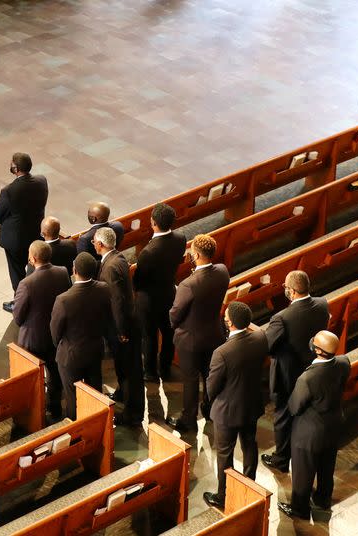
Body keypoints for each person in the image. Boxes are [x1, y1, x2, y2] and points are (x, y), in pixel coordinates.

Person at [261, 270, 330, 473]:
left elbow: (268, 346)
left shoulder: (282, 317)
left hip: (288, 373)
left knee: (283, 414)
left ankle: (281, 459)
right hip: (312, 368)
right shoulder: (322, 304)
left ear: (291, 291)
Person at [203, 301, 268, 508]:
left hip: (228, 411)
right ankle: (249, 484)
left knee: (225, 453)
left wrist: (209, 403)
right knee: (250, 445)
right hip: (251, 404)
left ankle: (223, 495)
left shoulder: (222, 352)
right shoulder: (260, 337)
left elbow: (211, 386)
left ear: (228, 323)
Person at [279, 330, 350, 519]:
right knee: (327, 466)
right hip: (333, 426)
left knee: (303, 473)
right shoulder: (344, 363)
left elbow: (294, 406)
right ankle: (323, 499)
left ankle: (299, 509)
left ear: (317, 350)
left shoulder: (307, 378)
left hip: (309, 433)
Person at [166, 234, 230, 433]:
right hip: (213, 333)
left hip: (190, 340)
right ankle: (210, 411)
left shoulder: (188, 284)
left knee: (191, 380)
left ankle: (188, 420)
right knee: (210, 375)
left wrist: (174, 324)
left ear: (196, 254)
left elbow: (175, 313)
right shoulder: (222, 271)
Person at [50, 252, 113, 420]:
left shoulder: (63, 300)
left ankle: (76, 435)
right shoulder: (103, 289)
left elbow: (55, 333)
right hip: (94, 350)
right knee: (95, 393)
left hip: (71, 356)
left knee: (73, 399)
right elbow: (107, 318)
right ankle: (98, 425)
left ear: (74, 270)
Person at [13, 241, 72, 418]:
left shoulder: (26, 283)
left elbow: (18, 316)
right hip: (56, 334)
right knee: (54, 373)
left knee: (31, 375)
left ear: (33, 258)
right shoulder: (62, 272)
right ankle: (53, 408)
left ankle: (33, 410)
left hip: (34, 338)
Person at [93, 227, 143, 426]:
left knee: (128, 369)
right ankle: (123, 394)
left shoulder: (111, 267)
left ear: (100, 244)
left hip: (122, 327)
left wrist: (121, 331)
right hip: (125, 323)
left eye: (94, 242)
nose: (93, 245)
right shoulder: (118, 257)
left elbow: (117, 301)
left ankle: (132, 413)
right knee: (124, 367)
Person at [132, 203, 186, 382]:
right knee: (168, 333)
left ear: (152, 222)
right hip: (169, 293)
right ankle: (165, 368)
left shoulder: (148, 252)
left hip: (148, 300)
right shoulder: (180, 238)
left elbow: (138, 281)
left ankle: (150, 372)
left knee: (149, 336)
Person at [0, 153, 49, 313]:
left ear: (15, 168)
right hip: (35, 233)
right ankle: (35, 296)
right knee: (33, 268)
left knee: (17, 273)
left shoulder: (9, 191)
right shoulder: (41, 181)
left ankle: (20, 303)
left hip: (15, 239)